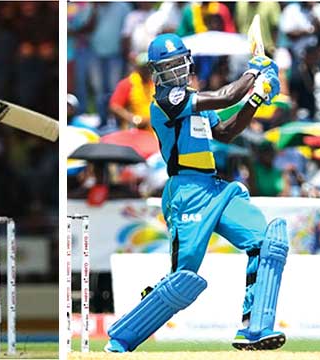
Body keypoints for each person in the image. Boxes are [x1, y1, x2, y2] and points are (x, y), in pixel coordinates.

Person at [105, 33, 286, 352]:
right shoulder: (165, 101)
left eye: (178, 65)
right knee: (183, 279)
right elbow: (226, 96)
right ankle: (123, 337)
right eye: (167, 67)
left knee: (268, 243)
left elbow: (227, 132)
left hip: (216, 188)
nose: (175, 72)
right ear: (156, 72)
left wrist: (256, 99)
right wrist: (253, 72)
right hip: (186, 192)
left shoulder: (193, 100)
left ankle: (254, 328)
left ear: (187, 62)